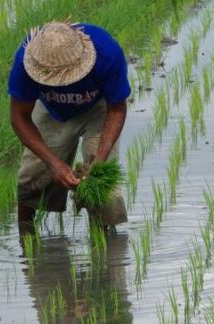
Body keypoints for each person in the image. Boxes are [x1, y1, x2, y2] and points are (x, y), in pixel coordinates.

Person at [8, 21, 130, 234]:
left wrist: (99, 160)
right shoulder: (26, 61)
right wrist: (54, 164)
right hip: (50, 110)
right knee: (32, 175)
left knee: (102, 184)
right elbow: (19, 117)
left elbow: (117, 109)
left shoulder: (106, 53)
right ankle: (25, 244)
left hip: (98, 108)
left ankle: (104, 245)